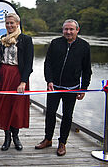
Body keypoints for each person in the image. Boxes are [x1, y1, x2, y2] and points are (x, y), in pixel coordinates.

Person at [35, 19, 92, 156]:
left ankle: (62, 143)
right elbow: (47, 63)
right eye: (66, 29)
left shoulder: (84, 46)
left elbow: (87, 70)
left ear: (77, 30)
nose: (68, 32)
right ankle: (48, 139)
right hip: (54, 87)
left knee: (67, 116)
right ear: (62, 30)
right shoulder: (55, 43)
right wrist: (49, 80)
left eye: (71, 29)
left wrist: (83, 88)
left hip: (72, 88)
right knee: (50, 113)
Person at [0, 13, 34, 151]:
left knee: (17, 108)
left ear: (18, 23)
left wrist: (23, 81)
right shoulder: (3, 39)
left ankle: (16, 137)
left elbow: (29, 64)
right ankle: (7, 137)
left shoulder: (25, 39)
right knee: (5, 106)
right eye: (7, 23)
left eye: (12, 23)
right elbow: (1, 58)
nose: (9, 25)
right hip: (3, 75)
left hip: (18, 76)